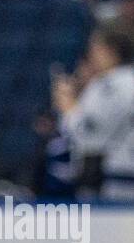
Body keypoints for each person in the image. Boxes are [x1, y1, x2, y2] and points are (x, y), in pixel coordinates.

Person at [52, 28, 134, 200]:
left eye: (94, 49)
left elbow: (89, 137)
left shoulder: (110, 85)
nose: (91, 55)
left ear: (109, 51)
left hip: (120, 180)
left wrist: (68, 107)